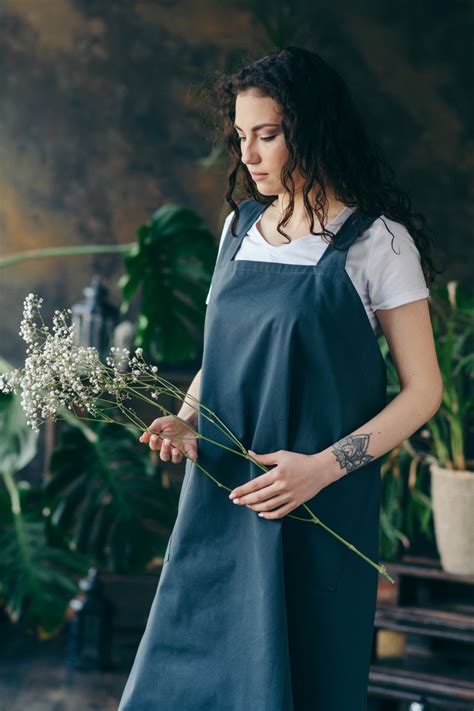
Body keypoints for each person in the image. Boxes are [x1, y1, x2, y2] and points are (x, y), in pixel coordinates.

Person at [118, 46, 443, 711]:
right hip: (221, 498)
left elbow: (424, 392)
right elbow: (223, 356)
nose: (249, 154)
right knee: (181, 681)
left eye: (266, 134)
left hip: (316, 505)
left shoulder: (380, 243)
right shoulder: (239, 229)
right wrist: (185, 417)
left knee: (304, 680)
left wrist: (322, 468)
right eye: (241, 137)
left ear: (312, 129)